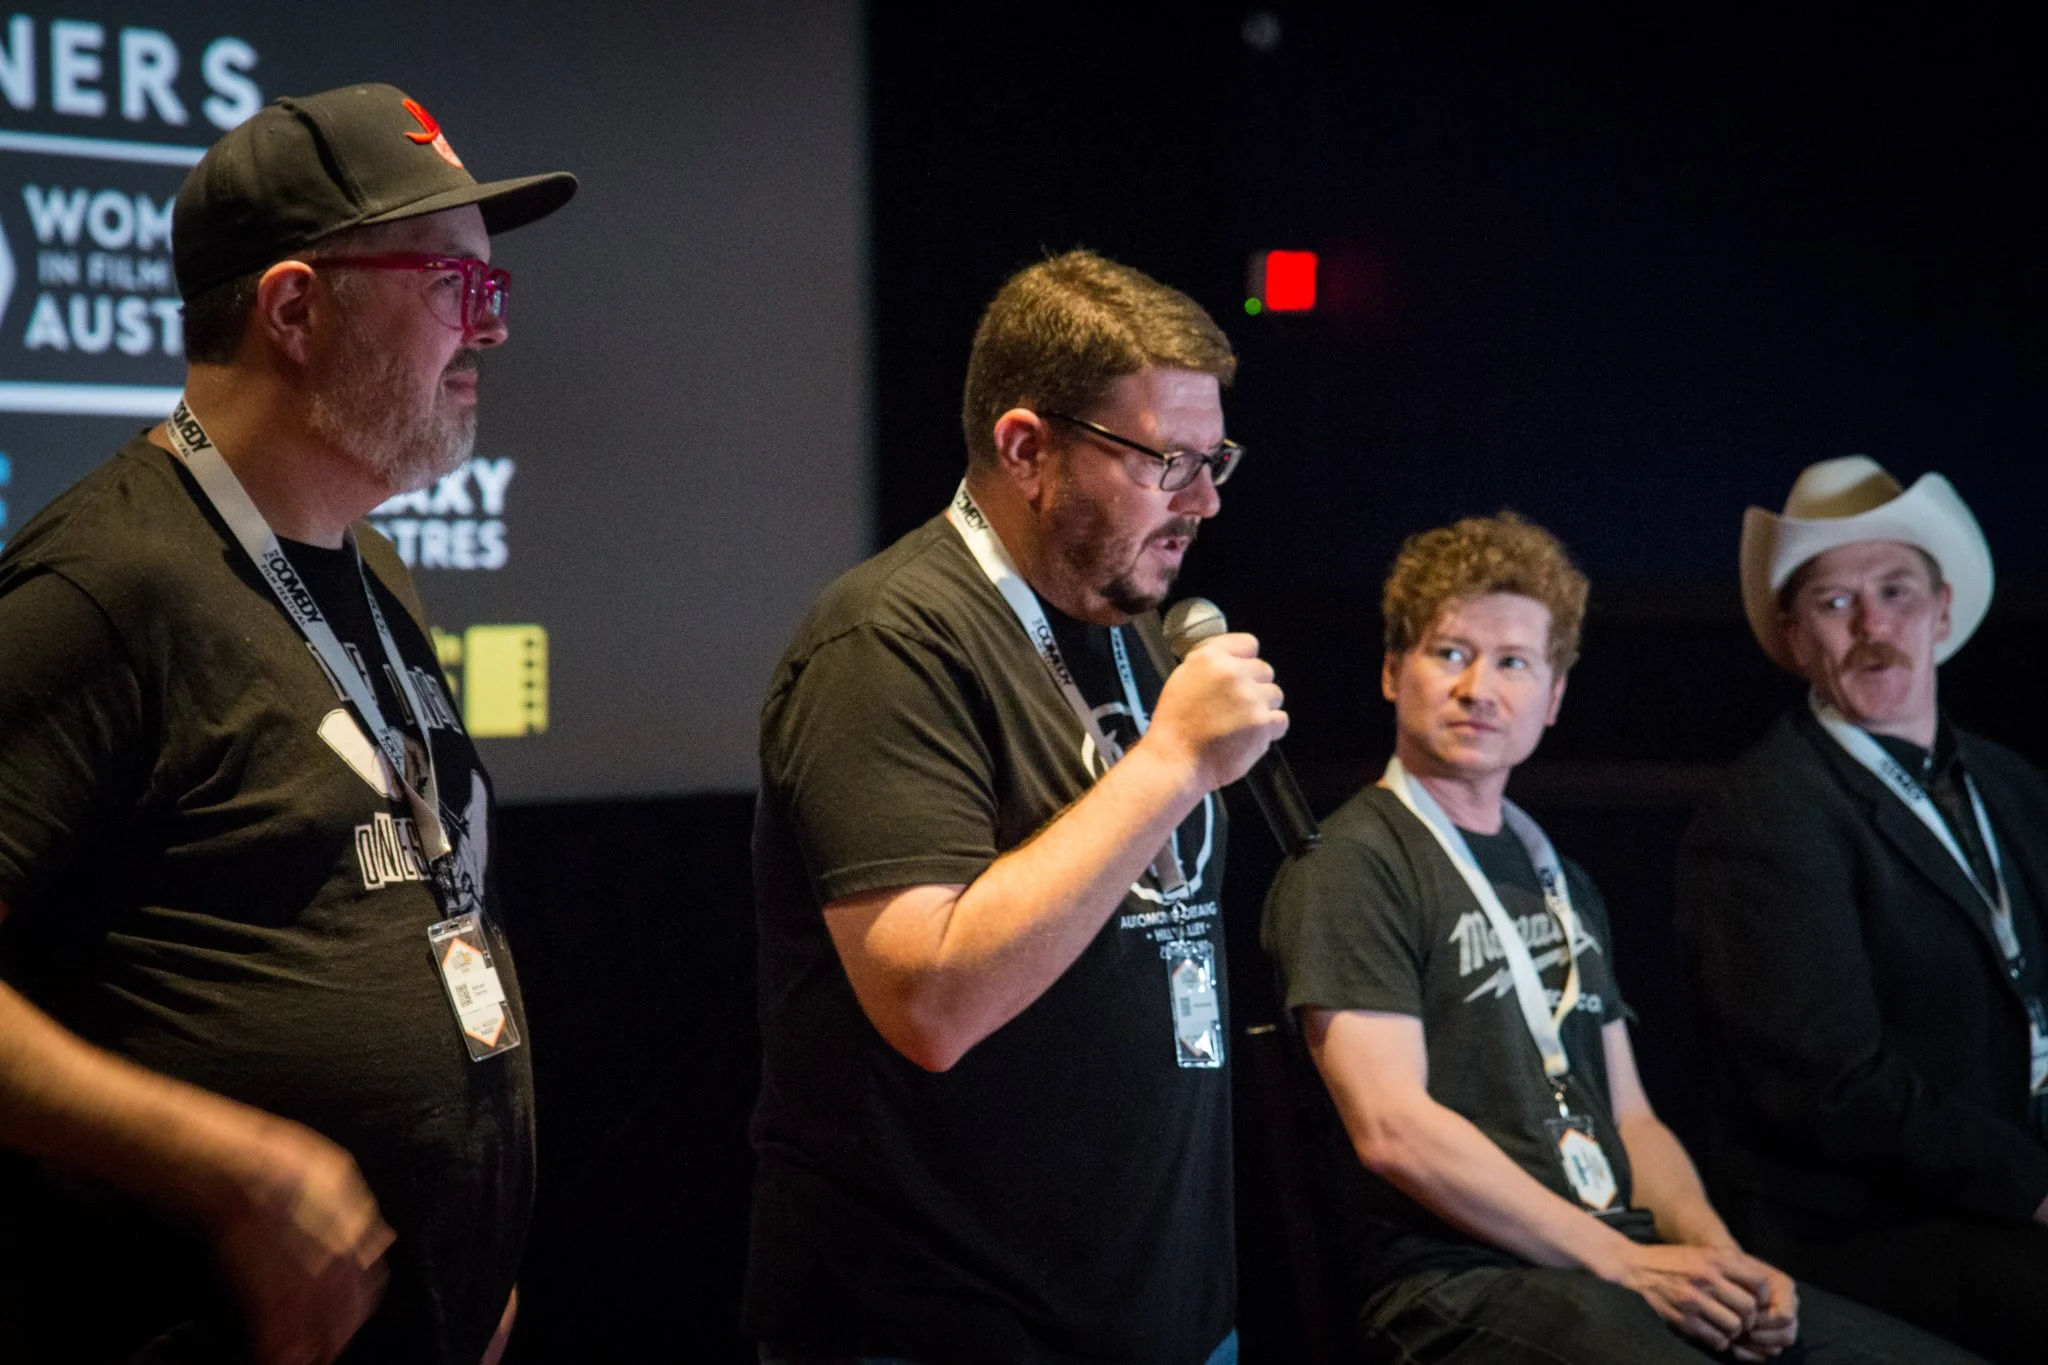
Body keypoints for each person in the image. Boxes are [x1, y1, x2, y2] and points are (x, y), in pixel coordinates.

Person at [0, 84, 574, 1365]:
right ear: (295, 309)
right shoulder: (104, 590)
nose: (488, 327)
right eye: (451, 284)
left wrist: (466, 1258)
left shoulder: (376, 572)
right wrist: (234, 1169)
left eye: (490, 289)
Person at [1263, 512, 1974, 1364]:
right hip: (1459, 1280)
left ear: (1554, 698)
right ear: (1392, 671)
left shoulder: (1559, 874)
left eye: (1513, 662)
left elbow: (1632, 1119)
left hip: (1611, 1258)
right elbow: (1393, 1128)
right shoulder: (1353, 861)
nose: (1478, 688)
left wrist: (1719, 1255)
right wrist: (1624, 1260)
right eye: (1450, 653)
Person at [747, 250, 1283, 1365]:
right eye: (1167, 462)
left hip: (1166, 1315)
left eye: (1214, 459)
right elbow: (929, 999)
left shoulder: (1132, 630)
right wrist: (1171, 763)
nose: (1204, 500)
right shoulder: (886, 644)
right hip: (944, 1323)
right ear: (1027, 449)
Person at [1674, 457, 2048, 1363]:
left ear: (1942, 612)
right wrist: (2036, 1185)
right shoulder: (1768, 810)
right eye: (1836, 602)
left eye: (1895, 592)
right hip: (1865, 1230)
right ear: (1796, 638)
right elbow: (1833, 1091)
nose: (1873, 625)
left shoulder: (2013, 784)